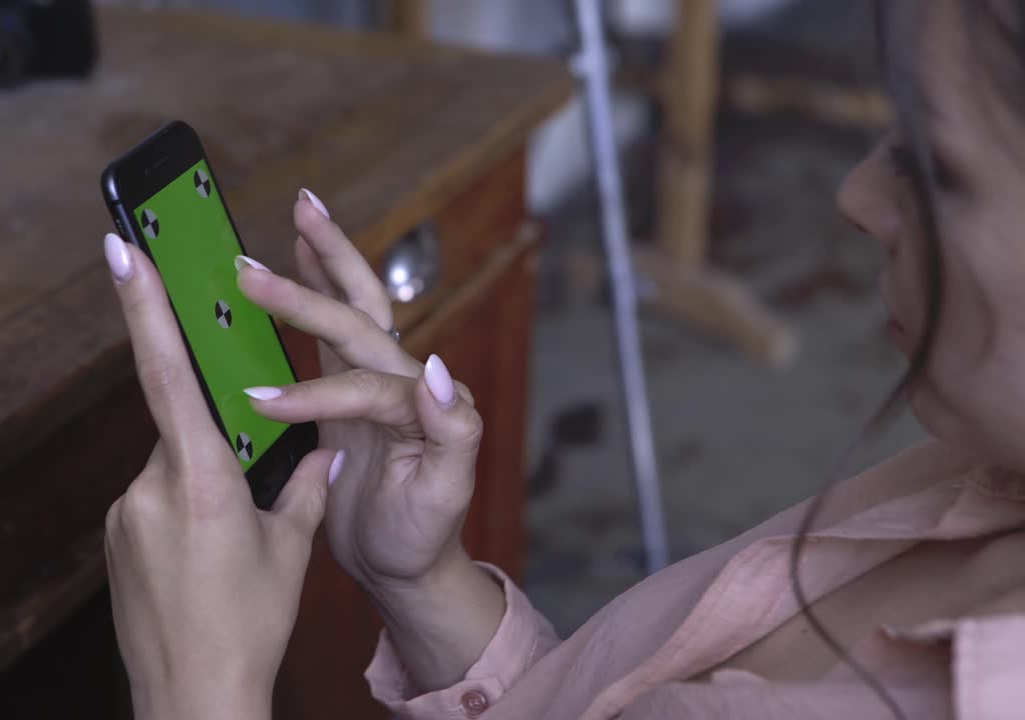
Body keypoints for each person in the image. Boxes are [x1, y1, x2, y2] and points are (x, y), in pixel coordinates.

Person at [98, 2, 1025, 717]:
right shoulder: (980, 472)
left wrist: (199, 688)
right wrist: (416, 580)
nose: (857, 193)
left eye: (937, 167)